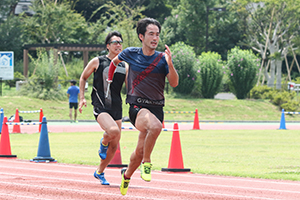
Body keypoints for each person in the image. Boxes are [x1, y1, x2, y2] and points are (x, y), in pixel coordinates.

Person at [106, 18, 179, 195]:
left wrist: (170, 64)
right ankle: (147, 162)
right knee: (155, 127)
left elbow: (174, 83)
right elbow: (114, 62)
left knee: (138, 151)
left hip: (156, 108)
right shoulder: (131, 53)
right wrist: (110, 79)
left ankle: (127, 175)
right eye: (151, 34)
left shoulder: (162, 58)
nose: (155, 38)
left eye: (157, 35)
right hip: (137, 107)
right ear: (141, 36)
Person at [78, 31, 127, 185]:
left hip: (117, 107)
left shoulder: (124, 65)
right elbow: (83, 77)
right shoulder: (97, 61)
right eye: (115, 42)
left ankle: (99, 172)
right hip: (100, 106)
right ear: (108, 46)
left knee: (115, 144)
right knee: (112, 132)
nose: (118, 44)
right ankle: (103, 141)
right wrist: (82, 98)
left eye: (120, 42)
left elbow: (130, 86)